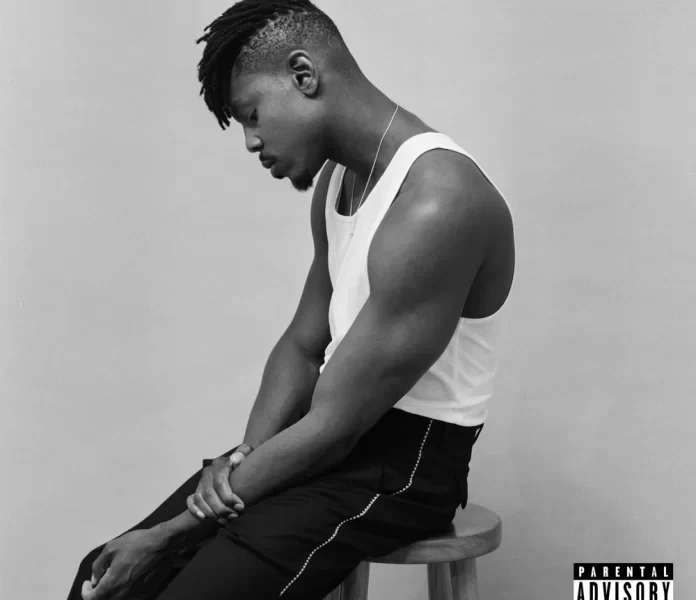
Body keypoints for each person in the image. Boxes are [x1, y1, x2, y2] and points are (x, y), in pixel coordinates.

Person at [67, 1, 515, 598]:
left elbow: (335, 424)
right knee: (101, 575)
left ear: (304, 75)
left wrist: (179, 530)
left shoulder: (440, 201)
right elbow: (303, 346)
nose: (251, 141)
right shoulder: (339, 180)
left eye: (251, 115)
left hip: (405, 467)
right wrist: (244, 458)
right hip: (324, 438)